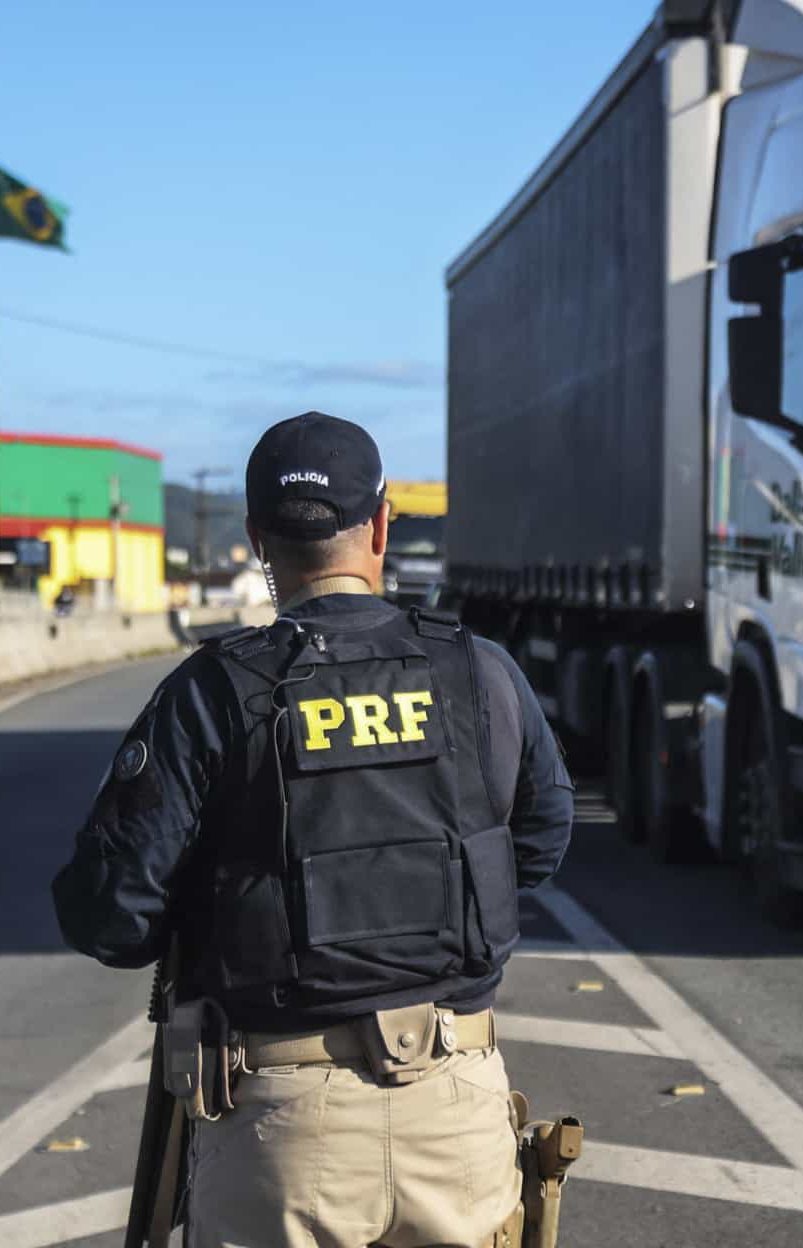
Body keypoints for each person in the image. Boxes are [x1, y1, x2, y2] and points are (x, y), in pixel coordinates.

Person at [52, 411, 574, 1248]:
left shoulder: (211, 693)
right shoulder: (480, 668)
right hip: (458, 1105)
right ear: (381, 522)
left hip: (281, 1131)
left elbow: (110, 915)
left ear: (259, 538)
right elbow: (541, 843)